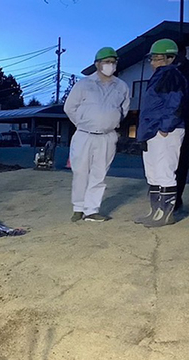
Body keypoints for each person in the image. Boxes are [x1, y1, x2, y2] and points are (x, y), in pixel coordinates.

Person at [62, 46, 130, 222]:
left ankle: (92, 210)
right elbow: (69, 108)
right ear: (97, 64)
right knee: (80, 172)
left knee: (99, 174)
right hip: (84, 134)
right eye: (107, 62)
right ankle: (78, 207)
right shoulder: (84, 84)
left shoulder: (121, 86)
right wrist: (83, 123)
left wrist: (110, 122)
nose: (110, 65)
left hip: (107, 136)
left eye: (113, 62)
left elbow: (124, 110)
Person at [135, 38, 188, 227]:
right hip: (152, 131)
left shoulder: (171, 75)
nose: (152, 62)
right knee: (154, 173)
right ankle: (155, 212)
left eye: (156, 58)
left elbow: (176, 102)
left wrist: (166, 127)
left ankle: (166, 215)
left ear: (169, 58)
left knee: (165, 171)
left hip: (165, 131)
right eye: (152, 58)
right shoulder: (160, 76)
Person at [173, 38, 189, 214]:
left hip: (184, 119)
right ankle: (175, 198)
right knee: (178, 163)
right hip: (177, 123)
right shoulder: (171, 72)